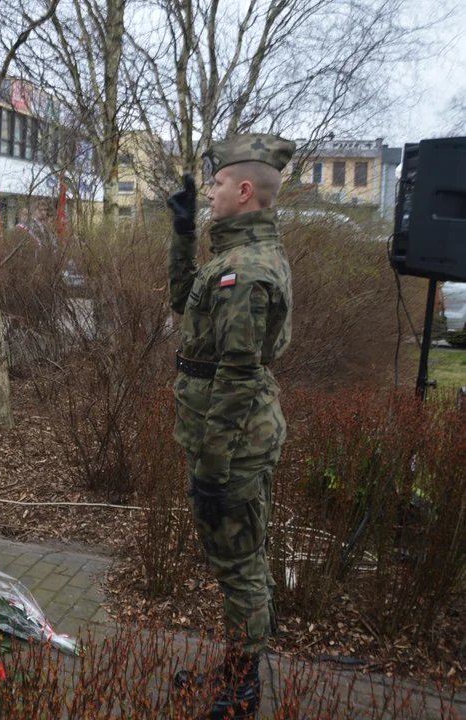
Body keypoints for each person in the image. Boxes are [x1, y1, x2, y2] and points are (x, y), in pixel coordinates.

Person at [167, 133, 295, 720]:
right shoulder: (229, 261)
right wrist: (183, 233)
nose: (210, 191)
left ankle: (244, 693)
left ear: (244, 191)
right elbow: (179, 303)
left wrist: (214, 468)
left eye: (217, 184)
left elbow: (239, 377)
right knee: (234, 561)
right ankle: (236, 669)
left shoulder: (244, 272)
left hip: (233, 447)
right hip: (221, 440)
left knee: (241, 567)